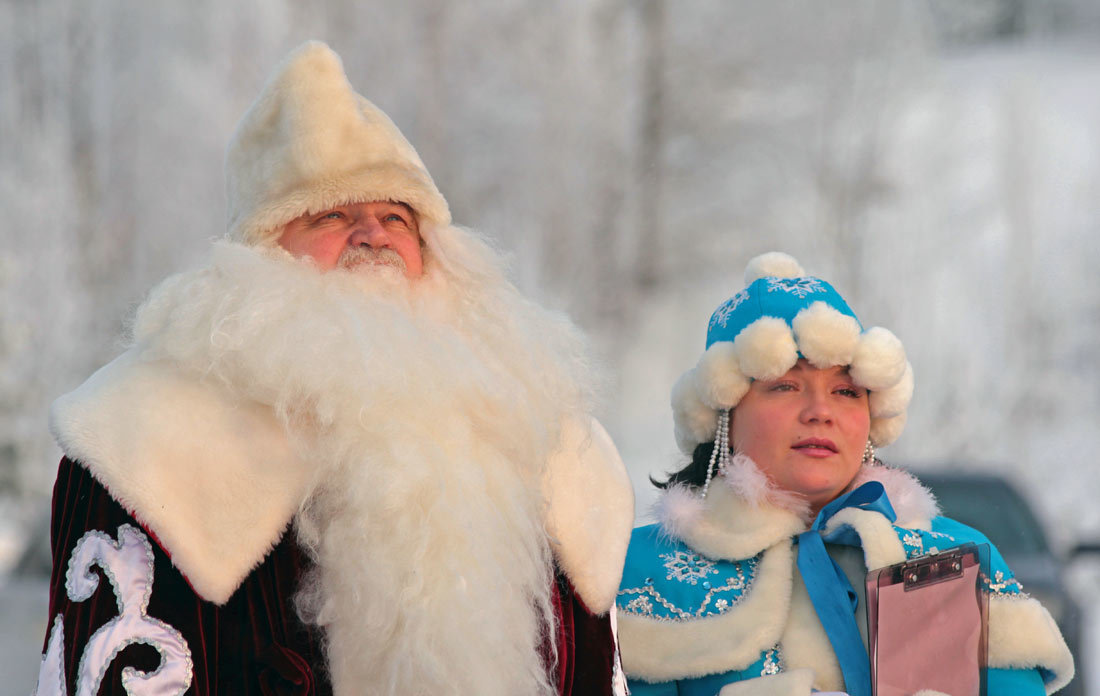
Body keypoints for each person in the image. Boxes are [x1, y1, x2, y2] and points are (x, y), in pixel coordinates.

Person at [33, 41, 634, 696]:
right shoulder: (148, 437)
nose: (372, 235)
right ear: (260, 251)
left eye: (395, 216)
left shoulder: (540, 431)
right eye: (333, 214)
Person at [615, 252, 1074, 695]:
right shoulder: (641, 571)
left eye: (845, 391)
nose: (820, 412)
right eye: (785, 386)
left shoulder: (955, 557)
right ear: (725, 415)